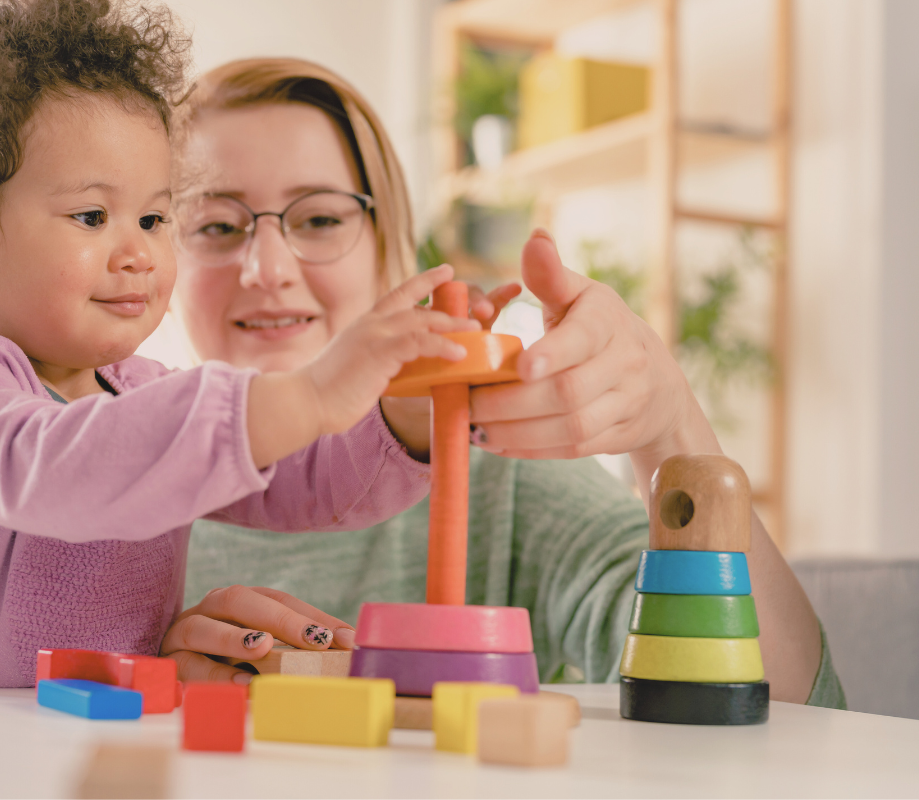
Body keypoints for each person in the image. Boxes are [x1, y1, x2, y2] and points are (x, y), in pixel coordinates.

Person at [0, 1, 477, 688]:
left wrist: (406, 417)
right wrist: (306, 393)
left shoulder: (144, 392)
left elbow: (303, 476)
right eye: (92, 216)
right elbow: (61, 467)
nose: (140, 253)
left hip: (105, 747)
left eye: (156, 217)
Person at [168, 57, 845, 708]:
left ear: (386, 246)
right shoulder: (102, 479)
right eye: (216, 225)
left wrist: (671, 430)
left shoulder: (498, 477)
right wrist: (137, 684)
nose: (268, 268)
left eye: (318, 218)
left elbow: (781, 711)